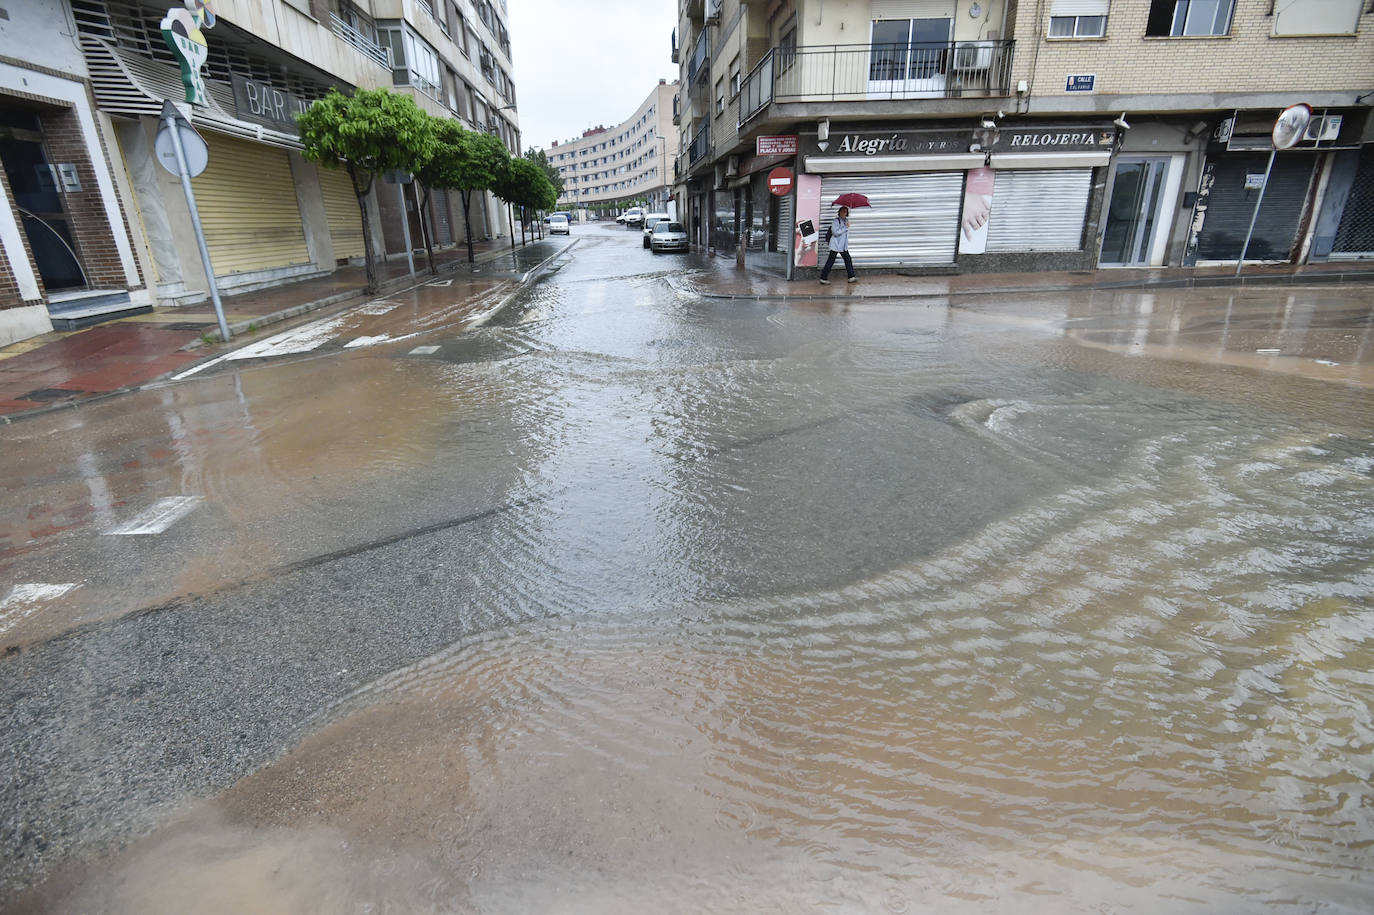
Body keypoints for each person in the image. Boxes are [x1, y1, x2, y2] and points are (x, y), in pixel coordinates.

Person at [819, 206, 857, 285]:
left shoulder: (846, 221)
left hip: (843, 247)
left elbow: (845, 235)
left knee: (848, 259)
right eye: (842, 211)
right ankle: (823, 278)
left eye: (845, 212)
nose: (843, 213)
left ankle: (851, 277)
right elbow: (835, 233)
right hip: (835, 246)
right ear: (839, 212)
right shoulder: (836, 221)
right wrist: (845, 228)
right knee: (830, 261)